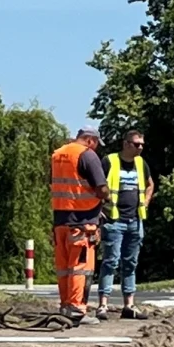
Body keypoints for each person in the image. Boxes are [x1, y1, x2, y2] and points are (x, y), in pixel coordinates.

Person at [50, 125, 109, 325]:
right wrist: (107, 198)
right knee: (80, 267)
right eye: (96, 145)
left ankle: (66, 305)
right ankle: (76, 310)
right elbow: (101, 188)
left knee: (64, 268)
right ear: (90, 140)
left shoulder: (58, 155)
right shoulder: (88, 156)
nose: (96, 149)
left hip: (60, 221)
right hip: (82, 223)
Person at [97, 129, 154, 320]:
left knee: (130, 263)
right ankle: (102, 305)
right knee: (110, 262)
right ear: (126, 144)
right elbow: (97, 186)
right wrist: (99, 212)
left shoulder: (141, 163)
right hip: (114, 220)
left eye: (142, 145)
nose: (140, 148)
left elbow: (150, 184)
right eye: (137, 144)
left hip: (135, 221)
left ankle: (129, 305)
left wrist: (146, 201)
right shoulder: (110, 161)